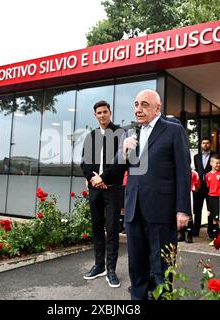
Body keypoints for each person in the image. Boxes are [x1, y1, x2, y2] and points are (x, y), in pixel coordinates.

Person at [121, 89, 191, 300]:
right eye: (135, 104)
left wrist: (183, 209)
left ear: (157, 108)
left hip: (162, 210)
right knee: (137, 265)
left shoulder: (172, 130)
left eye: (144, 104)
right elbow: (120, 171)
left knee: (161, 267)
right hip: (134, 210)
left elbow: (183, 171)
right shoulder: (131, 134)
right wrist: (123, 152)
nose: (138, 109)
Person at [81, 100, 126, 288]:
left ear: (110, 112)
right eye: (98, 113)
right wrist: (92, 178)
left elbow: (122, 162)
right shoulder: (90, 136)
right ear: (95, 115)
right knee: (97, 229)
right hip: (95, 190)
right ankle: (99, 266)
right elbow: (84, 161)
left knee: (113, 230)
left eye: (105, 112)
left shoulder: (120, 133)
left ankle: (112, 270)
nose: (102, 115)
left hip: (112, 189)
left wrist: (103, 178)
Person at [192, 138, 216, 238]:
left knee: (210, 209)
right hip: (199, 186)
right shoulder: (196, 156)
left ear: (210, 144)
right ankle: (195, 230)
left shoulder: (214, 156)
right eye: (203, 143)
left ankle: (210, 231)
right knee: (197, 209)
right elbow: (197, 170)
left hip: (210, 186)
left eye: (207, 143)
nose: (205, 145)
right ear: (201, 144)